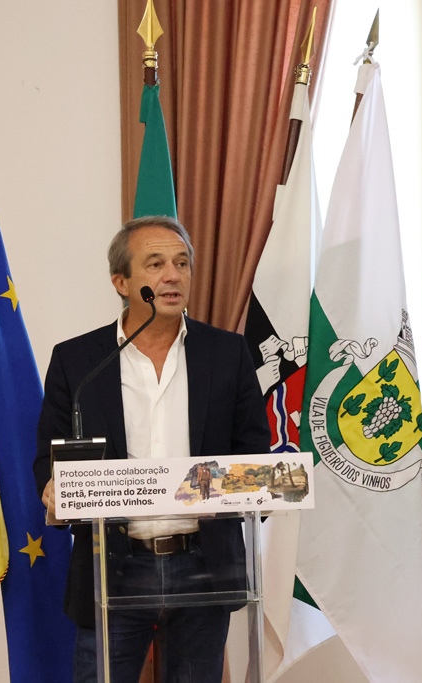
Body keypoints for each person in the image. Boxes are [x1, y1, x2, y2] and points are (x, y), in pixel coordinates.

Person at [33, 215, 270, 683]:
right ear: (121, 282)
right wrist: (53, 487)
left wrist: (240, 491)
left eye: (182, 263)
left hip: (204, 563)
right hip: (114, 565)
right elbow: (49, 455)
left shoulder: (227, 354)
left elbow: (254, 453)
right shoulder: (79, 361)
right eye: (156, 264)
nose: (172, 276)